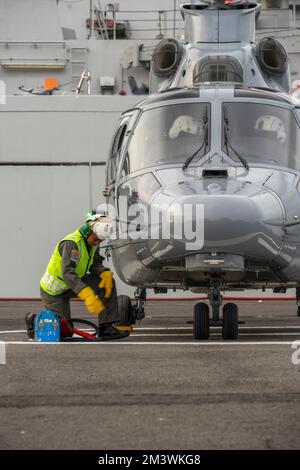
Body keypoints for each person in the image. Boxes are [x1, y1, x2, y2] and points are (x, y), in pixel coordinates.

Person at [25, 214, 128, 340]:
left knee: (106, 281)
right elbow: (68, 274)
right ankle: (33, 319)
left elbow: (94, 263)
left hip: (72, 285)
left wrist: (103, 272)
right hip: (54, 292)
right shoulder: (72, 245)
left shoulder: (93, 243)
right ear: (87, 231)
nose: (97, 242)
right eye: (96, 239)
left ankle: (106, 327)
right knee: (64, 333)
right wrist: (87, 294)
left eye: (100, 241)